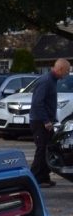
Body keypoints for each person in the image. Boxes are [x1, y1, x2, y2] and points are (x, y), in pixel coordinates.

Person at [29, 58, 71, 187]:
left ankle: (44, 177)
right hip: (40, 121)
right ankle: (34, 179)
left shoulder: (52, 81)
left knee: (49, 148)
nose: (67, 74)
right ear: (60, 69)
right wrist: (46, 121)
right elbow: (38, 102)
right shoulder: (46, 81)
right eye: (67, 71)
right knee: (41, 149)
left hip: (46, 121)